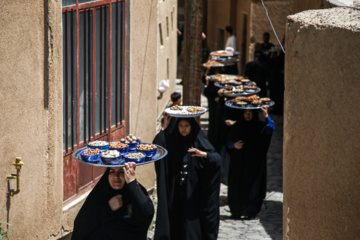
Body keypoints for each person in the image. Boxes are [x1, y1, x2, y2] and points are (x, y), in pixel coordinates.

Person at [153, 117, 222, 240]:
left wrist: (203, 154)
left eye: (186, 126)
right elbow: (159, 144)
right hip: (176, 192)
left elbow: (217, 159)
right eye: (181, 126)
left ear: (192, 127)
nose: (183, 129)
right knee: (177, 223)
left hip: (194, 194)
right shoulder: (173, 141)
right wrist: (166, 128)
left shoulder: (198, 140)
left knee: (191, 226)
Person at [72, 162, 154, 240]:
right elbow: (81, 227)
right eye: (112, 171)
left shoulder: (133, 193)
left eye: (121, 171)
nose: (116, 176)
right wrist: (108, 209)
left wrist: (132, 182)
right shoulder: (100, 195)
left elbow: (147, 213)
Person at [226, 106, 274, 220]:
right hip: (239, 164)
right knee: (238, 186)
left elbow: (270, 129)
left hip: (254, 164)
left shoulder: (259, 127)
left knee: (253, 188)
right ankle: (237, 210)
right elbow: (228, 142)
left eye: (250, 113)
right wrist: (234, 145)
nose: (248, 115)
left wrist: (266, 116)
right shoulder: (237, 126)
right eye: (246, 112)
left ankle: (251, 211)